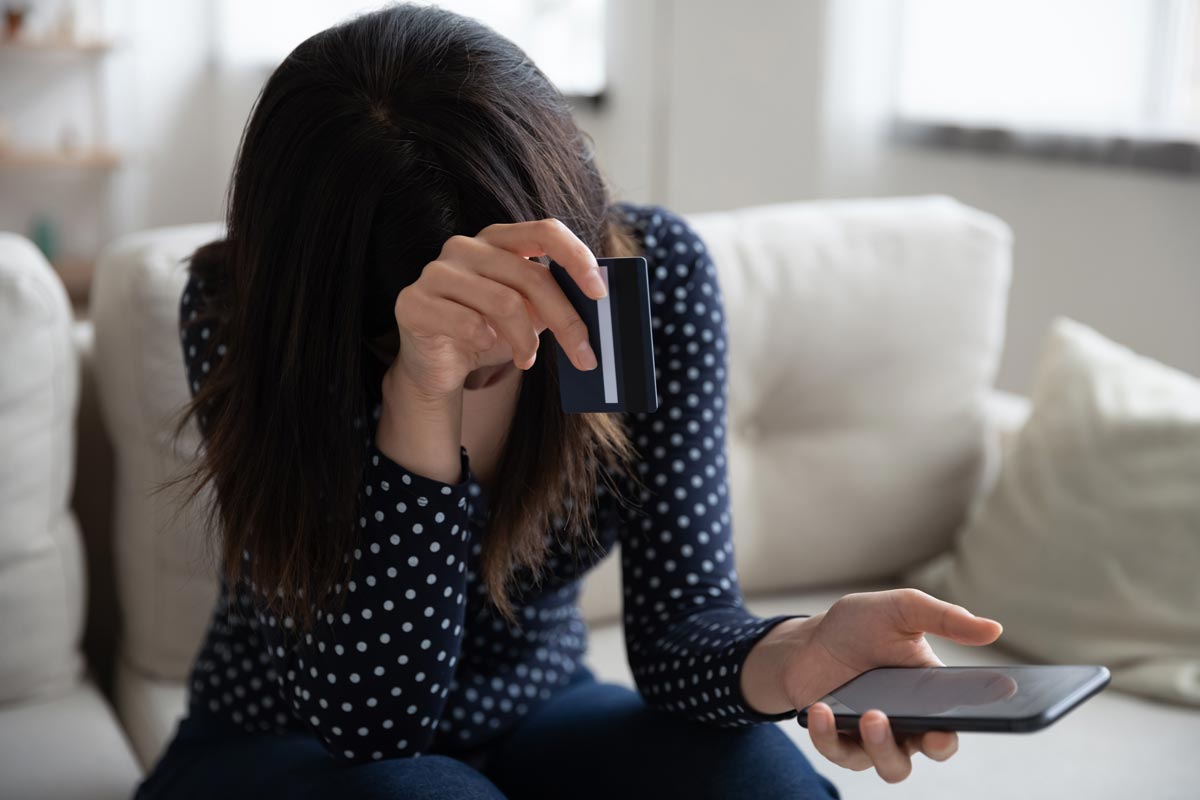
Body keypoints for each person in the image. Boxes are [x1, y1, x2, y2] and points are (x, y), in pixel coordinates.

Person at [133, 5, 1003, 799]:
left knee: (757, 783)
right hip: (291, 741)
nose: (506, 347)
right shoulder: (248, 315)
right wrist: (421, 393)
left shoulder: (638, 286)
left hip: (536, 711)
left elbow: (678, 631)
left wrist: (796, 656)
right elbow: (373, 726)